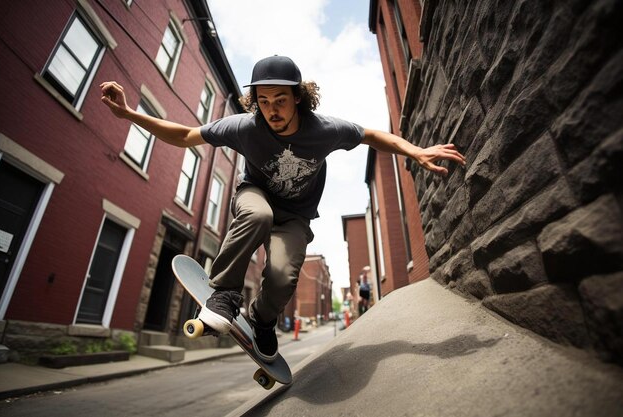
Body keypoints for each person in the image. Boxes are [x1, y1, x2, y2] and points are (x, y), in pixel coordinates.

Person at [100, 55, 466, 363]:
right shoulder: (245, 127)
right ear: (254, 101)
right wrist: (131, 114)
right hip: (255, 195)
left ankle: (261, 318)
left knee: (283, 277)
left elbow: (371, 135)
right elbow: (184, 135)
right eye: (263, 101)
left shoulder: (324, 129)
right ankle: (223, 294)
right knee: (258, 215)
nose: (271, 111)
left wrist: (415, 150)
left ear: (297, 99)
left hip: (295, 215)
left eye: (280, 101)